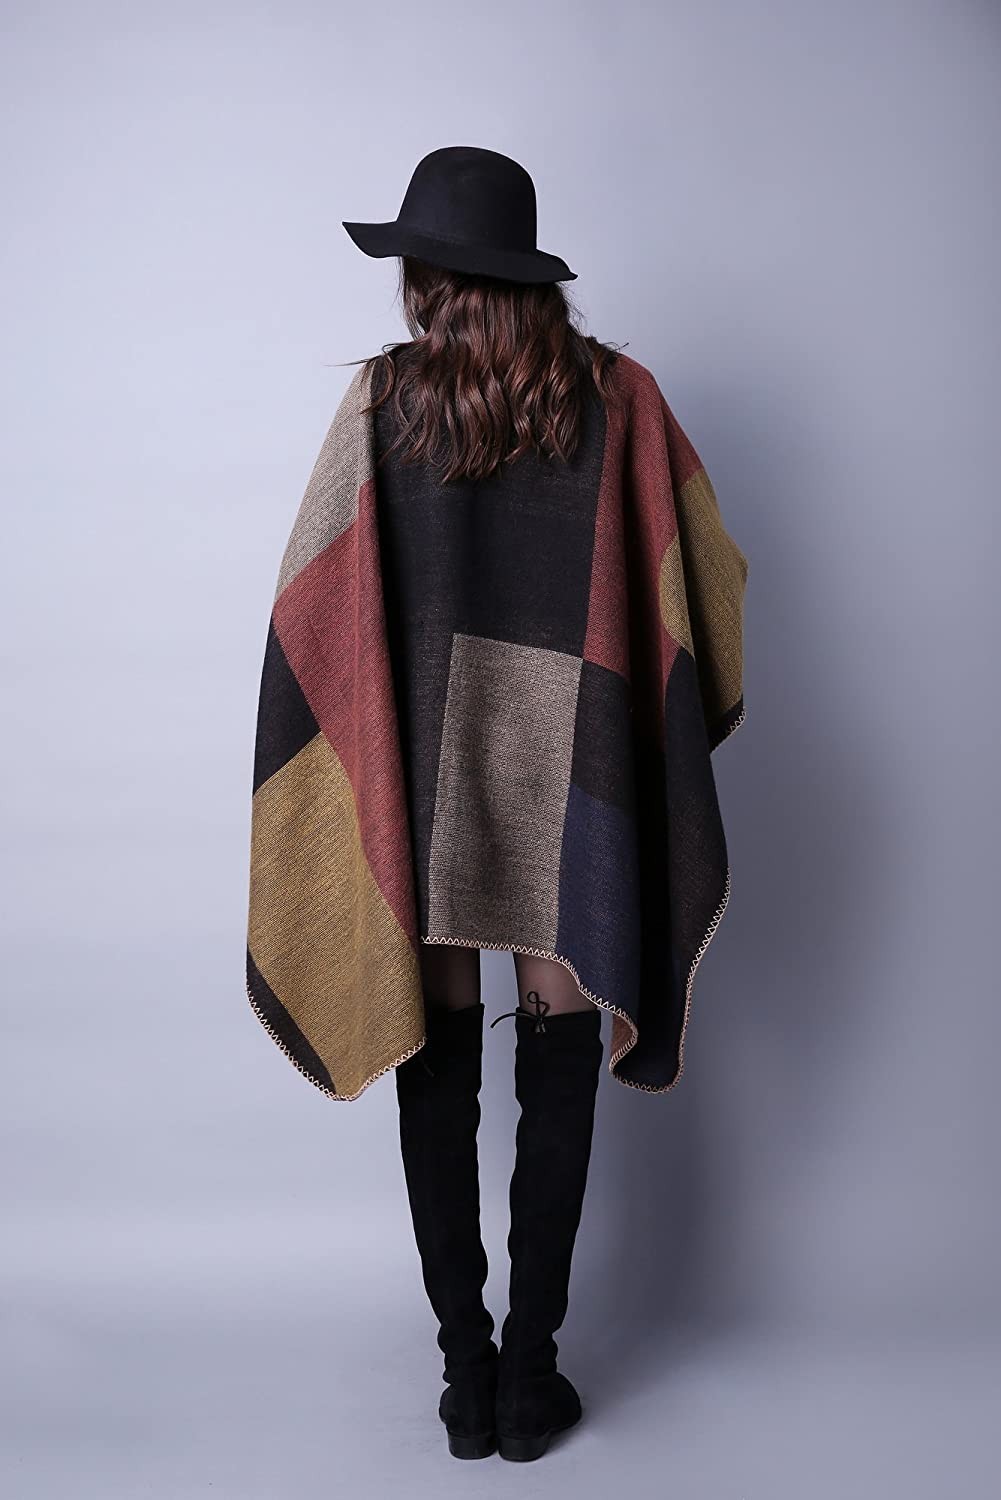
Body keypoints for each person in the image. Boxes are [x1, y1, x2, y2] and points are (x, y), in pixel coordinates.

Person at [245, 146, 748, 1464]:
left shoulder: (380, 402)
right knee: (558, 1045)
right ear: (531, 275)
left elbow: (311, 610)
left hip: (424, 777)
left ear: (422, 275)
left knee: (440, 1051)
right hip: (571, 773)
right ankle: (530, 1380)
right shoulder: (621, 397)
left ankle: (466, 1381)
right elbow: (703, 575)